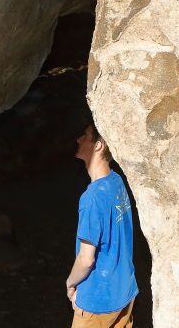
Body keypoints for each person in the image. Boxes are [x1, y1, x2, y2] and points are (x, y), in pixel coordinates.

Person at [66, 119, 139, 327]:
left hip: (98, 300)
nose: (79, 139)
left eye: (86, 136)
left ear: (99, 145)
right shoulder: (117, 181)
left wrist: (71, 283)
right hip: (125, 290)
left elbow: (86, 259)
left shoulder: (92, 197)